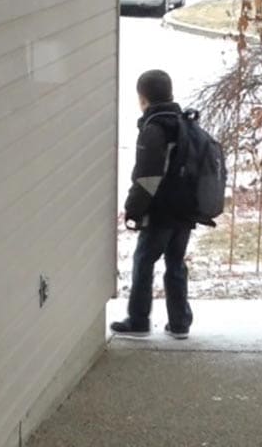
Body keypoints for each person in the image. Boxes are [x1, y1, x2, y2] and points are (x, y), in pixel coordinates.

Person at [110, 70, 194, 340]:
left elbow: (148, 177)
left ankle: (138, 320)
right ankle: (180, 322)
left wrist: (133, 208)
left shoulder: (154, 129)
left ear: (142, 98)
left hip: (161, 210)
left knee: (144, 260)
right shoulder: (185, 123)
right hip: (185, 208)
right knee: (175, 263)